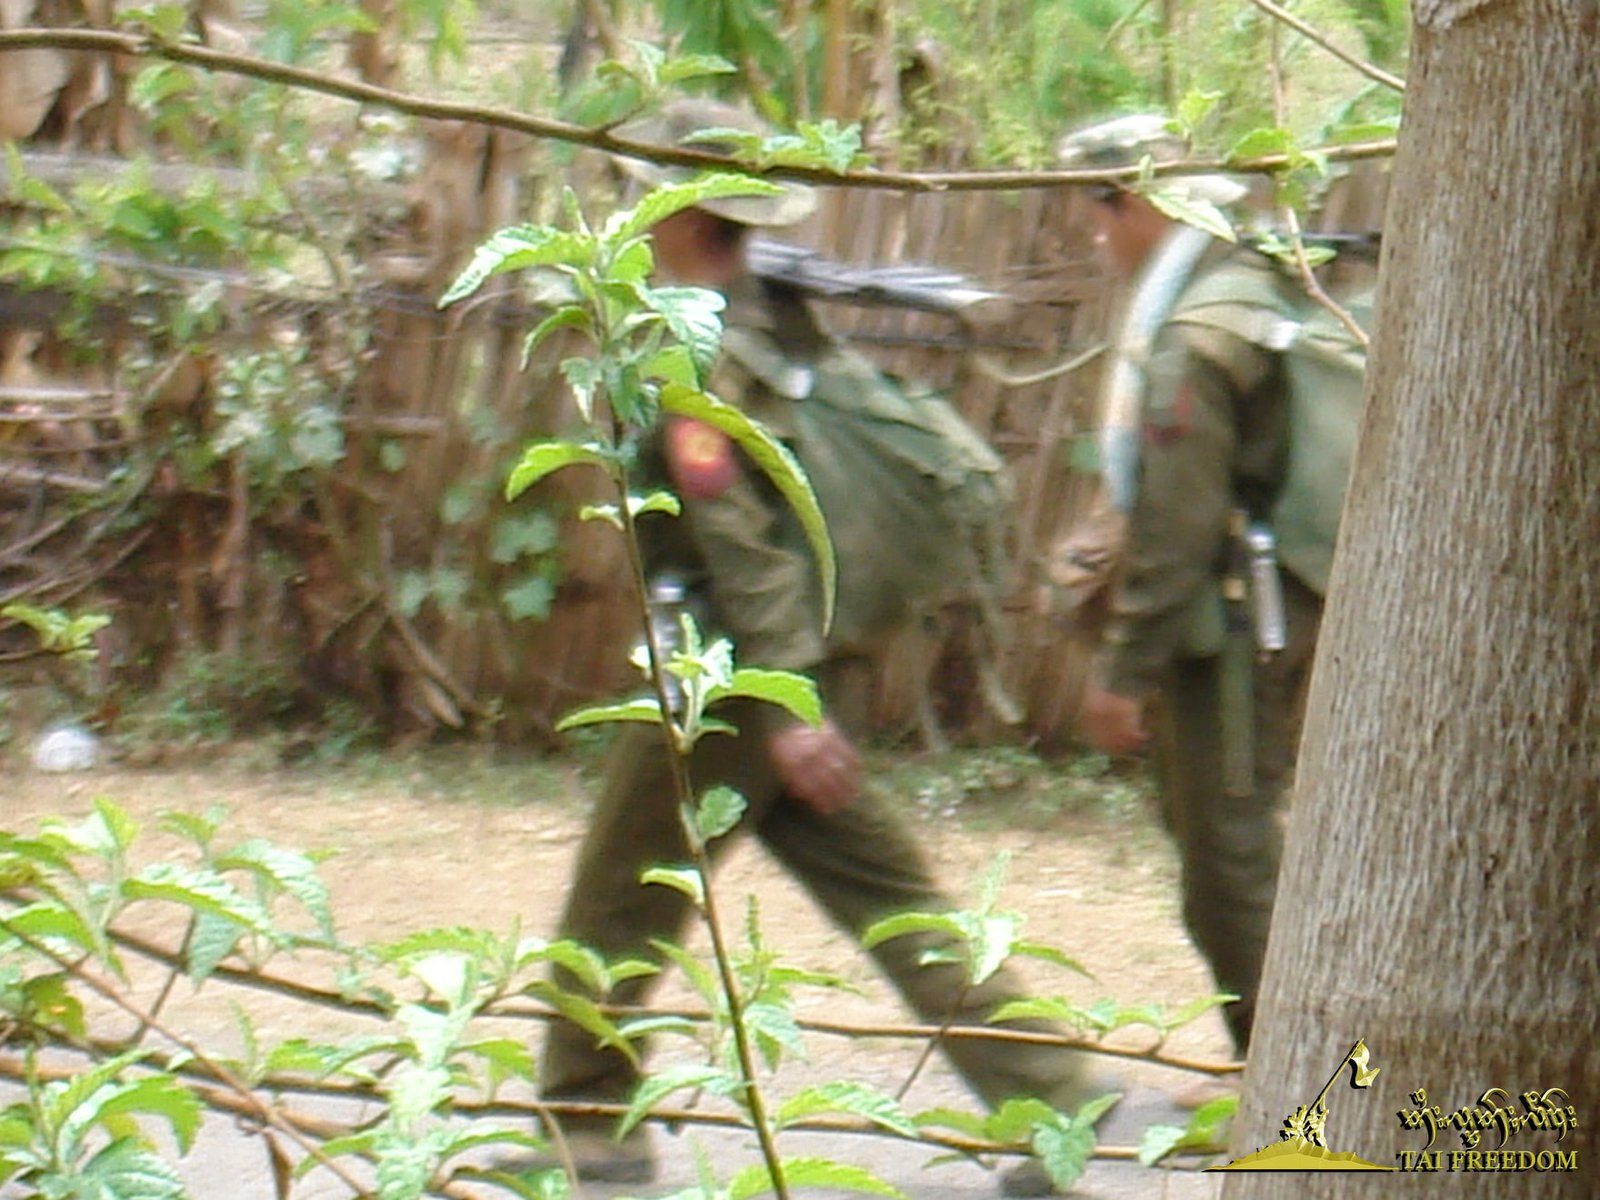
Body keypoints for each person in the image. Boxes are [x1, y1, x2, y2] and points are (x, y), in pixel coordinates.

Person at [529, 100, 1105, 1198]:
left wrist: (782, 709)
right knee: (893, 900)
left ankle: (586, 1134)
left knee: (610, 910)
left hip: (734, 681)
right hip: (801, 669)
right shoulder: (779, 325)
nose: (626, 211)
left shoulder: (687, 348)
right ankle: (1056, 1103)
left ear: (688, 212)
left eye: (645, 190)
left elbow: (740, 540)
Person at [1058, 114, 1326, 1058]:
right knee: (1230, 837)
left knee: (1228, 856)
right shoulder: (1244, 285)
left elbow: (1175, 525)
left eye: (1097, 215)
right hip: (1269, 603)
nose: (1095, 238)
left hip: (1235, 620)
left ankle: (1291, 1079)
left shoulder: (1194, 333)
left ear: (1129, 200)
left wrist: (1122, 671)